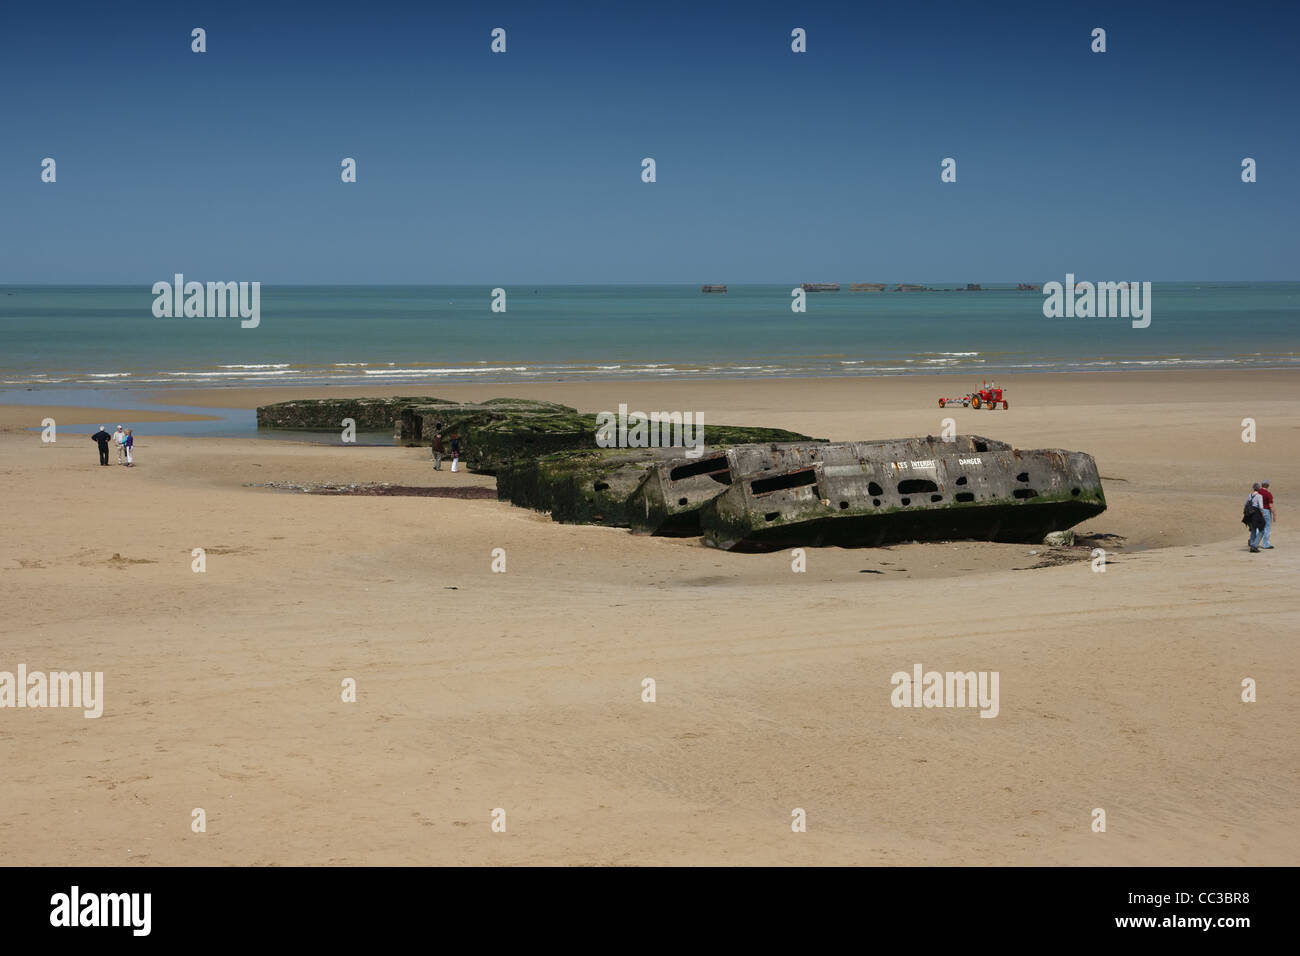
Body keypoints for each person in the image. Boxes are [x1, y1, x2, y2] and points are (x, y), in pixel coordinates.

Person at [1244, 483, 1266, 553]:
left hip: (1249, 515)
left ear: (1253, 488)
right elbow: (1261, 507)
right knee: (1262, 530)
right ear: (1259, 488)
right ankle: (1254, 546)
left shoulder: (1249, 495)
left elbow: (1245, 505)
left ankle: (1252, 546)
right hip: (1256, 514)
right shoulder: (1259, 496)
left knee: (1253, 531)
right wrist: (1263, 515)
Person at [1259, 480, 1275, 549]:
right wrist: (1274, 514)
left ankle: (1254, 542)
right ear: (1268, 486)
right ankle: (1265, 544)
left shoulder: (1258, 492)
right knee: (1267, 527)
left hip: (1258, 511)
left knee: (1258, 527)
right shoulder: (1268, 494)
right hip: (1266, 511)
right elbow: (1270, 506)